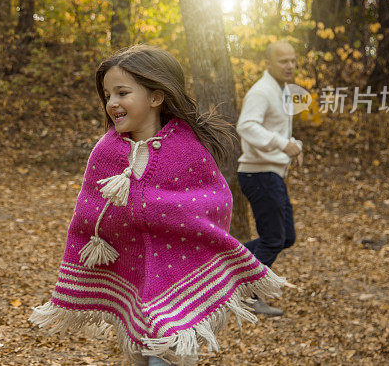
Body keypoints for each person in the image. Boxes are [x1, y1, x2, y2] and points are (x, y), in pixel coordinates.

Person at [30, 45, 287, 365]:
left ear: (156, 96)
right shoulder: (106, 152)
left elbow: (216, 203)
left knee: (170, 357)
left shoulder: (187, 150)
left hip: (179, 275)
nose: (112, 103)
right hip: (131, 273)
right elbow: (89, 214)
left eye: (122, 93)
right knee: (138, 355)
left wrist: (151, 205)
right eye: (108, 95)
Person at [236, 40, 302, 317]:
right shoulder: (262, 91)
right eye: (283, 61)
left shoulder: (283, 91)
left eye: (292, 60)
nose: (289, 66)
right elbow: (246, 126)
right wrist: (280, 143)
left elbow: (275, 131)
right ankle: (247, 294)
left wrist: (292, 145)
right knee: (274, 238)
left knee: (285, 237)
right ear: (268, 63)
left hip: (270, 172)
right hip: (259, 173)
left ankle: (226, 258)